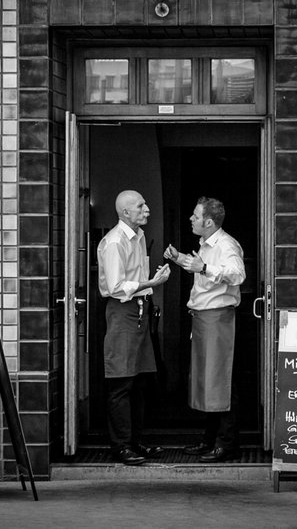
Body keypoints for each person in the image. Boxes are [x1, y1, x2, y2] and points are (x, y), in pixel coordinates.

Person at [164, 196, 246, 463]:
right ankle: (209, 439)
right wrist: (180, 260)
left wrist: (205, 267)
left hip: (218, 319)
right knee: (208, 382)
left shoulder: (226, 245)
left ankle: (226, 444)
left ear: (209, 222)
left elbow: (237, 274)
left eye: (195, 216)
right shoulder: (206, 244)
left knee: (220, 381)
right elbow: (203, 272)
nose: (191, 219)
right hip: (203, 319)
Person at [96, 190, 171, 465]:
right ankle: (120, 446)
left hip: (140, 310)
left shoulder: (137, 237)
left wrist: (152, 280)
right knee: (121, 382)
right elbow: (116, 288)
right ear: (125, 212)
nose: (147, 209)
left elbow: (135, 279)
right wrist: (152, 284)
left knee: (139, 380)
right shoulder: (115, 241)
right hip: (122, 311)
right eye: (141, 206)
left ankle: (135, 442)